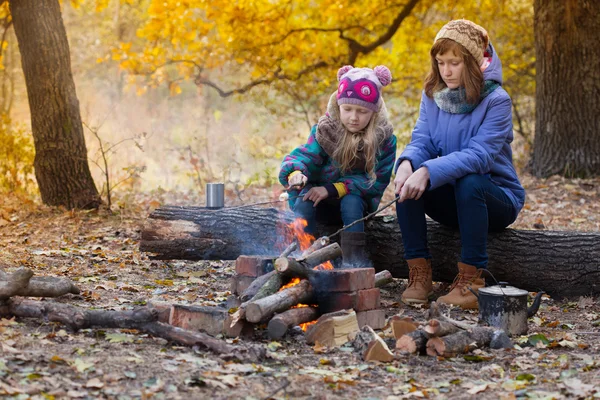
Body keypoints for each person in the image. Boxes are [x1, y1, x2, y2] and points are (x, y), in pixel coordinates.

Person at [394, 19, 525, 309]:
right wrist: (407, 163)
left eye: (454, 62)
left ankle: (471, 282)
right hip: (455, 199)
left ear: (473, 62)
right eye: (441, 62)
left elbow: (480, 156)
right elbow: (422, 140)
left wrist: (429, 170)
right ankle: (419, 274)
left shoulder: (497, 101)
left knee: (470, 181)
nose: (446, 71)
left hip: (495, 198)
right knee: (406, 181)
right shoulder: (433, 95)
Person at [279, 65, 397, 267]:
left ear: (374, 112)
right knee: (305, 201)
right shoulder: (326, 131)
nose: (353, 117)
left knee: (351, 201)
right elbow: (305, 156)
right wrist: (296, 172)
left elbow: (376, 181)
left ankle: (353, 263)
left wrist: (333, 189)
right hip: (318, 201)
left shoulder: (384, 139)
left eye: (362, 111)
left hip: (356, 203)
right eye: (347, 109)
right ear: (338, 106)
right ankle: (304, 258)